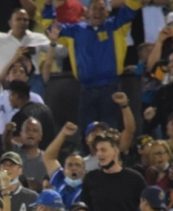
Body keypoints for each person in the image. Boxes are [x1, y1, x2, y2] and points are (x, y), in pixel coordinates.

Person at [44, 0, 141, 134]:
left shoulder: (116, 26)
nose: (98, 12)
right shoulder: (76, 30)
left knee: (110, 132)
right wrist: (48, 5)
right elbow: (50, 29)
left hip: (111, 89)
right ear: (87, 12)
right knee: (86, 133)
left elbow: (132, 7)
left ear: (107, 12)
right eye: (94, 8)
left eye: (102, 9)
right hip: (86, 90)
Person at [45, 122, 85, 209]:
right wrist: (63, 134)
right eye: (70, 165)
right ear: (64, 170)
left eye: (77, 165)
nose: (73, 168)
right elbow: (48, 157)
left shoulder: (88, 188)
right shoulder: (59, 178)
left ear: (85, 171)